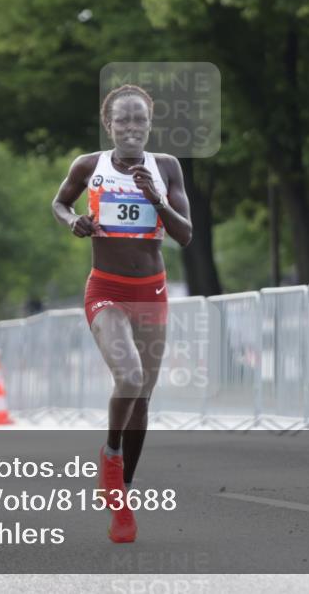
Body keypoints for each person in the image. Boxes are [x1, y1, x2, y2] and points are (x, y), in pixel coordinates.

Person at [52, 84, 192, 543]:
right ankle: (109, 456)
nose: (131, 128)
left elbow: (186, 235)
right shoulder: (88, 166)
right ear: (108, 124)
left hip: (150, 292)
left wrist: (157, 199)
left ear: (149, 125)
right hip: (107, 288)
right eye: (122, 120)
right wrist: (73, 221)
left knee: (143, 400)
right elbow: (60, 201)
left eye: (140, 120)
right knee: (128, 377)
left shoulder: (166, 167)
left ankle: (122, 496)